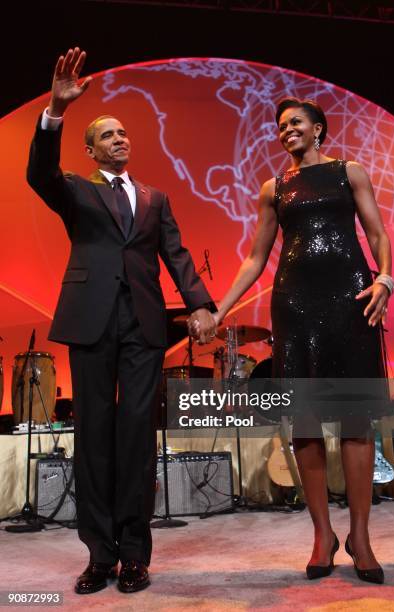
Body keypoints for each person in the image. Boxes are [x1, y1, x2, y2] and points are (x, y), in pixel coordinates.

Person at [27, 48, 217, 595]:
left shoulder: (156, 197)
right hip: (90, 322)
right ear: (90, 148)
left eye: (123, 133)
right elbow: (39, 172)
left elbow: (176, 256)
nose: (119, 139)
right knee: (94, 437)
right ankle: (98, 554)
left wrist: (199, 303)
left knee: (135, 437)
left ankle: (135, 555)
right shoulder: (75, 189)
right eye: (107, 135)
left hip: (143, 326)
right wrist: (55, 113)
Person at [192, 97, 393, 584]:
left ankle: (360, 537)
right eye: (281, 127)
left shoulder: (351, 171)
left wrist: (385, 278)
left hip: (351, 301)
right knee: (304, 421)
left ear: (319, 128)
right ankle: (322, 534)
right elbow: (254, 259)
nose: (286, 131)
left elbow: (377, 233)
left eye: (295, 123)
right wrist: (219, 309)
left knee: (355, 420)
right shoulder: (274, 187)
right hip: (295, 309)